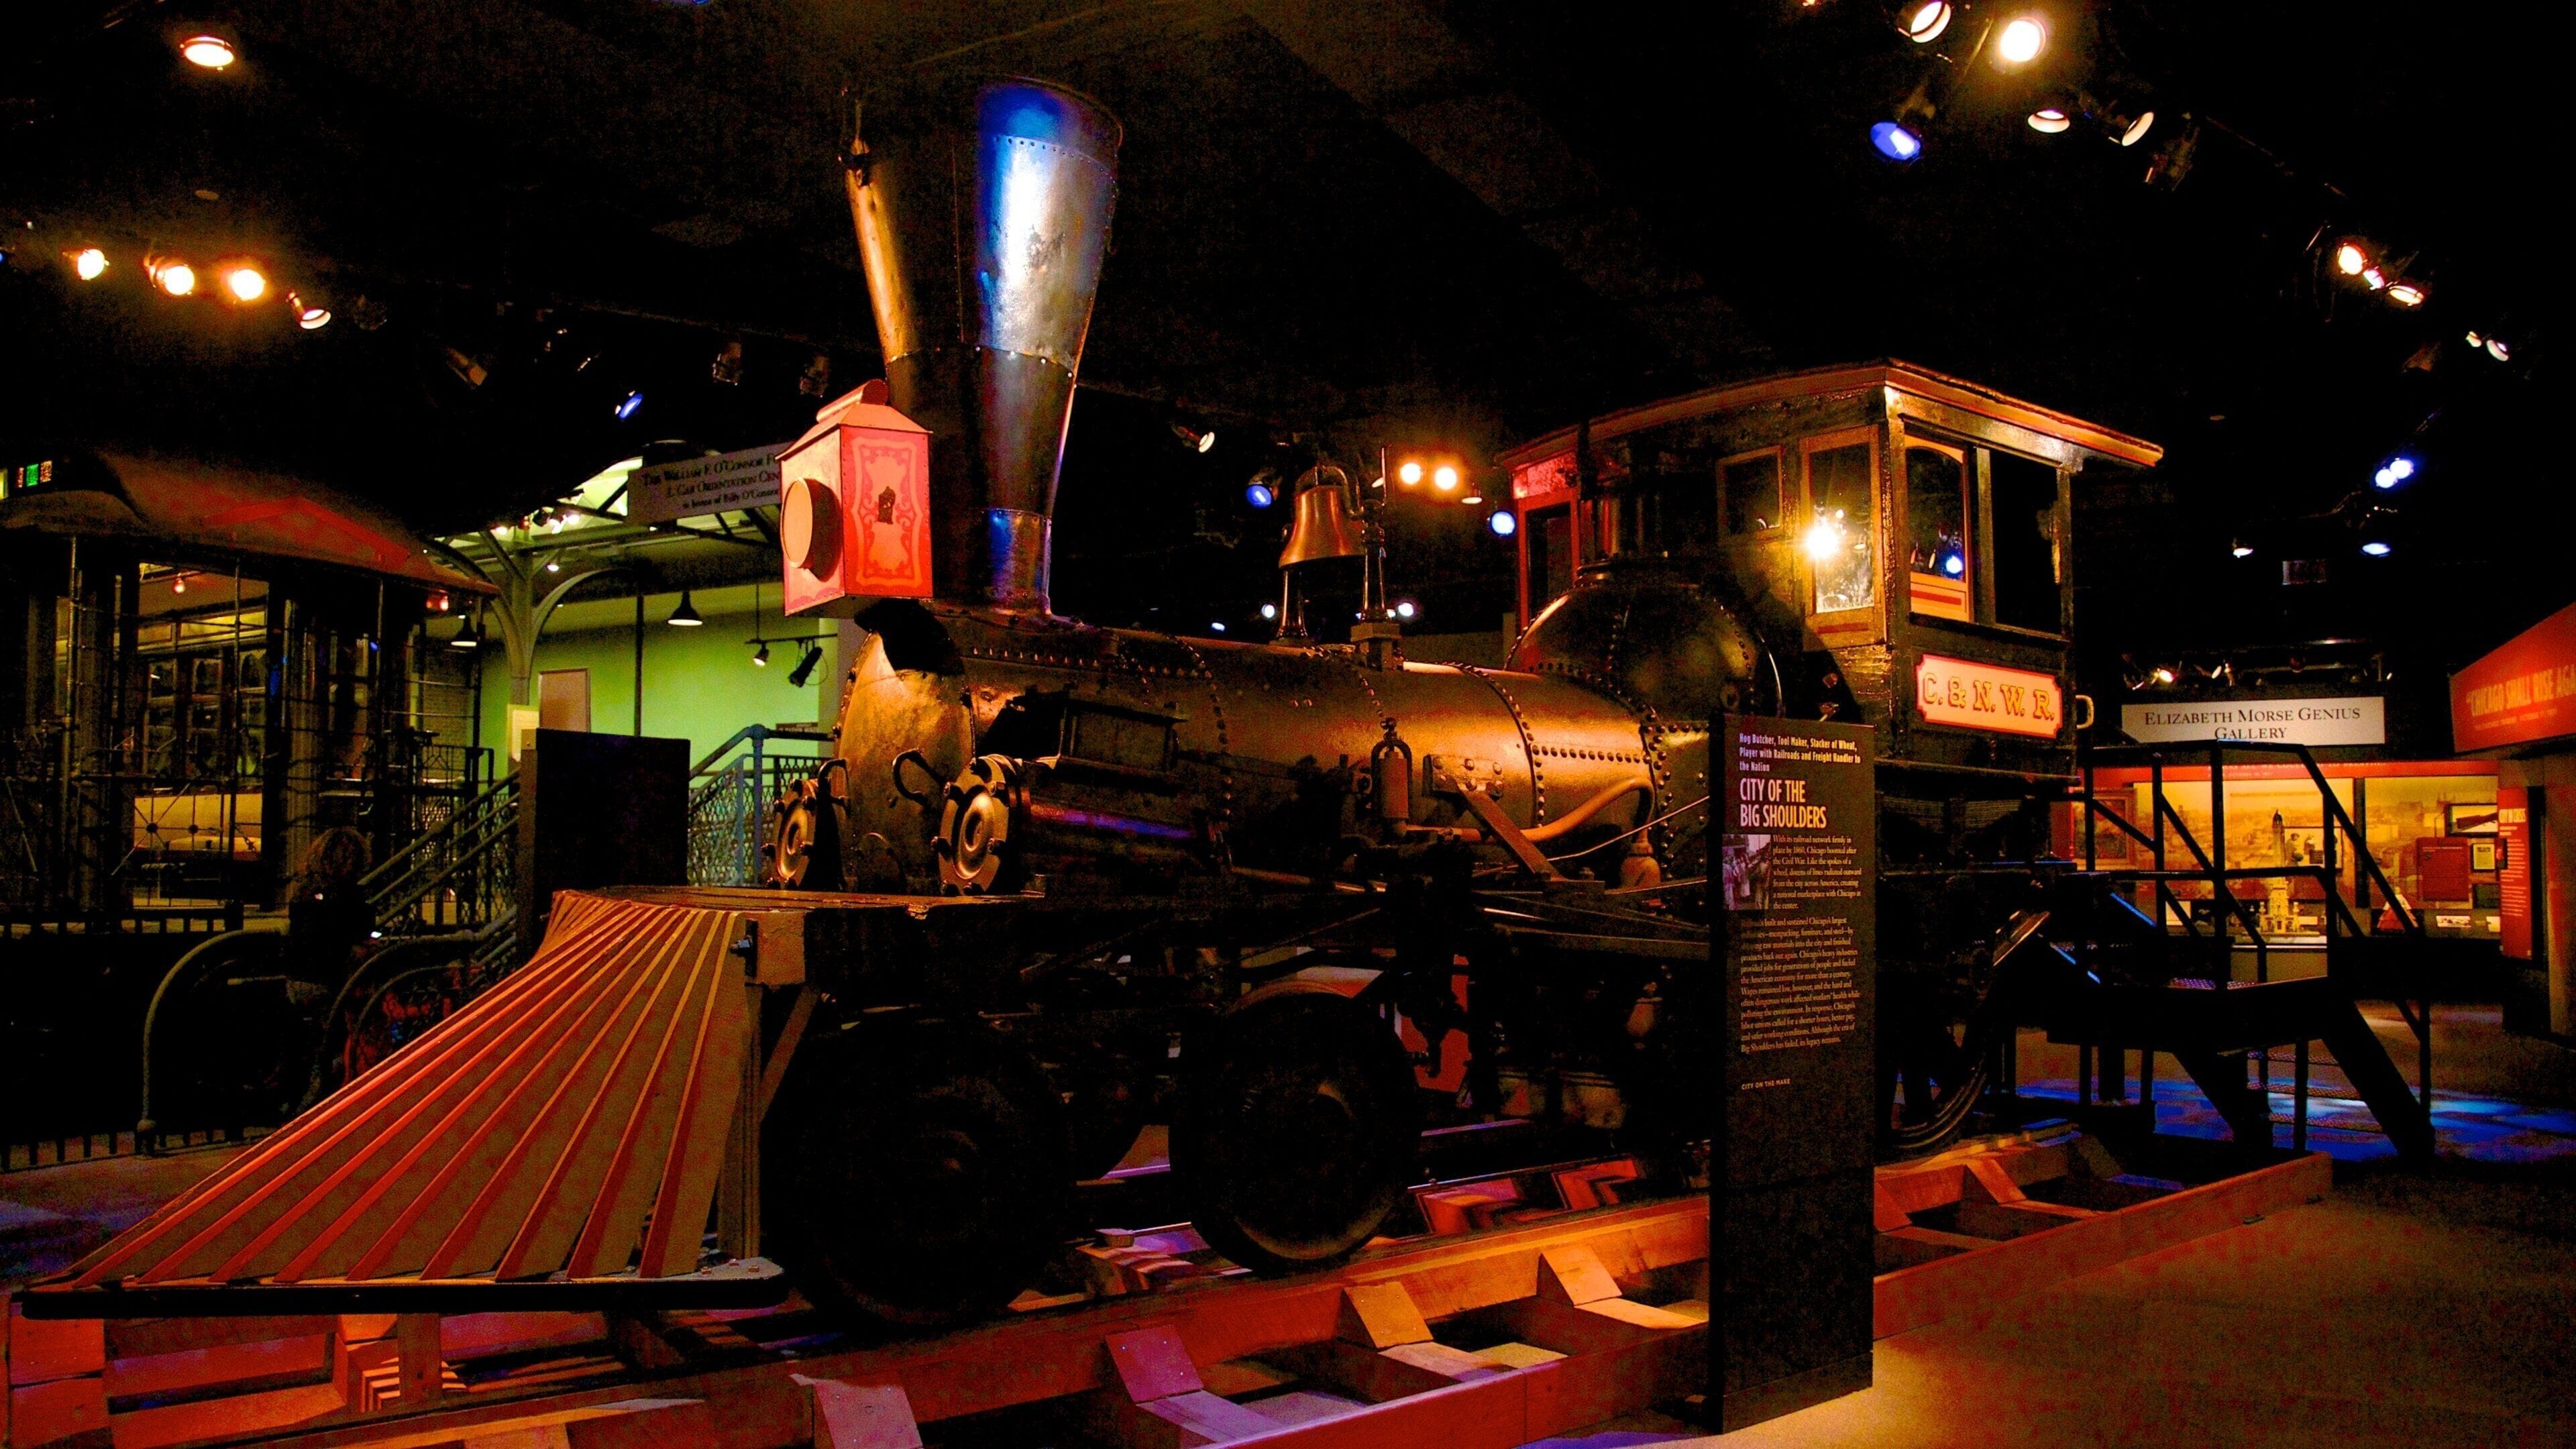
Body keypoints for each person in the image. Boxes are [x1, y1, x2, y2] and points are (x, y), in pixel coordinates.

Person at [284, 827, 374, 1003]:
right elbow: (341, 937)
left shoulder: (306, 890)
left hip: (302, 977)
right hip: (328, 978)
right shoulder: (344, 896)